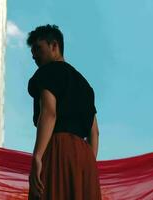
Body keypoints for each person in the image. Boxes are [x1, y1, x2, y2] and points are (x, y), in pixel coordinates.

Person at [27, 24, 101, 200]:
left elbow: (49, 113)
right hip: (85, 157)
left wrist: (37, 156)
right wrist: (87, 165)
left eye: (38, 48)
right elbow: (95, 132)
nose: (34, 56)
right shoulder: (85, 86)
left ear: (54, 46)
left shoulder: (48, 71)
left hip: (59, 147)